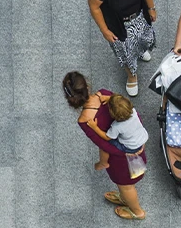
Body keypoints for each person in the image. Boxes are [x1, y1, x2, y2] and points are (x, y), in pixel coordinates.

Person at [63, 72, 148, 220]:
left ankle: (137, 212)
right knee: (126, 184)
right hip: (136, 144)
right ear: (87, 85)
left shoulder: (84, 120)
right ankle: (124, 198)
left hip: (121, 159)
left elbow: (105, 144)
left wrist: (104, 161)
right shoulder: (104, 94)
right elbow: (130, 109)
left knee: (125, 185)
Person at [87, 0, 158, 96]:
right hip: (119, 26)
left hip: (139, 19)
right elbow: (94, 6)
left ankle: (139, 50)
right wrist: (104, 30)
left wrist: (151, 8)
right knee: (126, 53)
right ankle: (132, 76)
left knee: (143, 39)